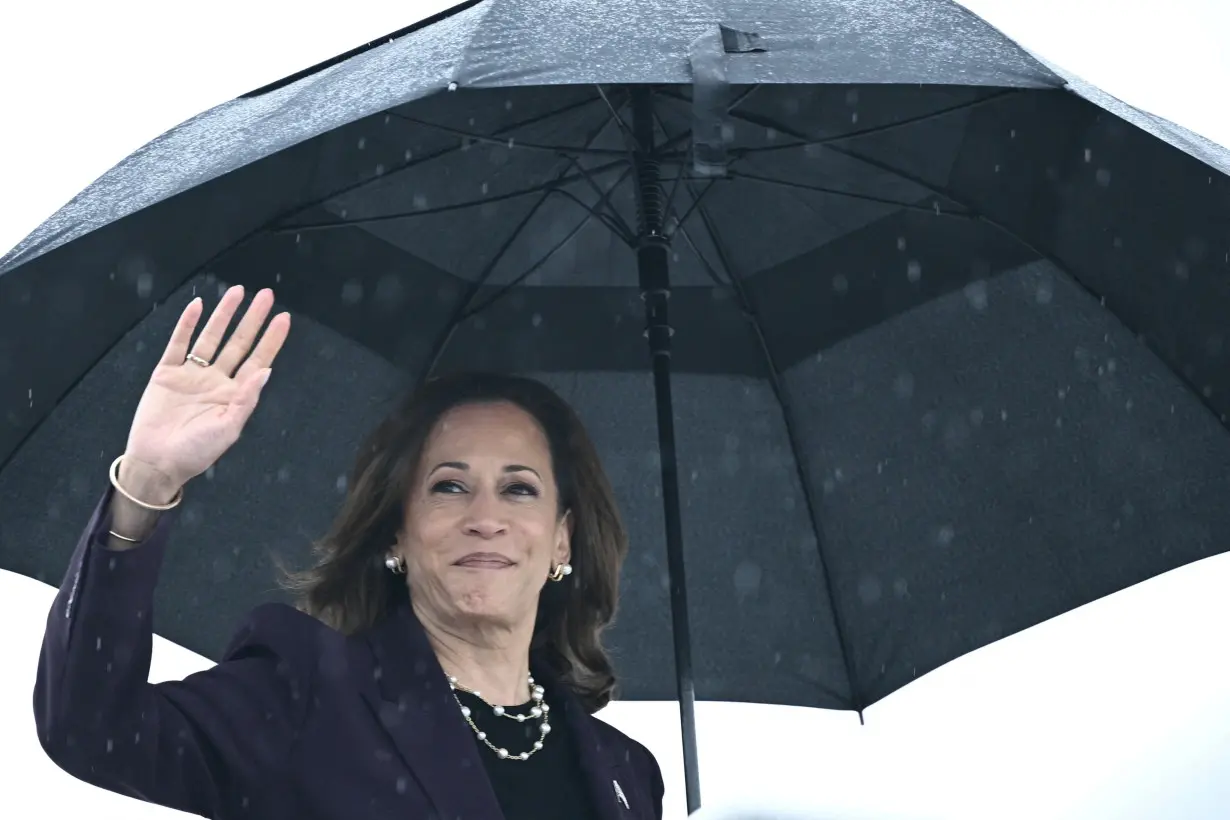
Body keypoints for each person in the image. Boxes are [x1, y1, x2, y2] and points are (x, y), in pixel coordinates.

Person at [33, 285, 664, 820]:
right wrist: (148, 480)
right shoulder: (305, 692)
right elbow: (93, 728)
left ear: (562, 538)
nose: (485, 518)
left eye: (519, 489)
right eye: (449, 486)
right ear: (396, 531)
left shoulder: (629, 774)